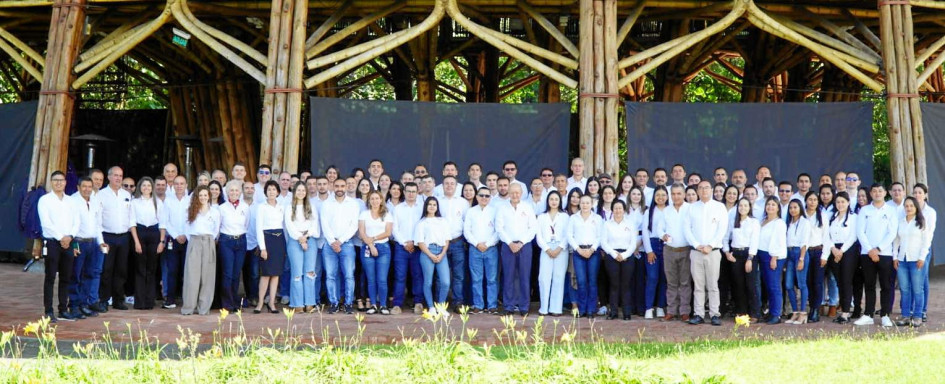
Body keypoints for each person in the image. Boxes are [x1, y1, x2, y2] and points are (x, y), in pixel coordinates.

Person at [684, 181, 728, 326]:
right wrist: (697, 245)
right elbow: (687, 229)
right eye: (701, 188)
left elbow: (722, 229)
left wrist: (711, 245)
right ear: (697, 190)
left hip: (713, 252)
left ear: (712, 190)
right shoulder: (691, 208)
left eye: (707, 188)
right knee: (698, 285)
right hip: (696, 252)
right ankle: (699, 314)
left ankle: (715, 314)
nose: (704, 190)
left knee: (713, 285)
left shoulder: (719, 207)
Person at [38, 171, 80, 322]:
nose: (58, 183)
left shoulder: (71, 201)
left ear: (65, 182)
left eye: (61, 180)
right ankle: (48, 310)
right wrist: (61, 237)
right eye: (55, 180)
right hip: (52, 242)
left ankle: (63, 309)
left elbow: (77, 222)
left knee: (66, 277)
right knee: (50, 277)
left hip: (68, 242)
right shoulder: (44, 200)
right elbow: (46, 223)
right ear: (51, 182)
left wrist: (69, 237)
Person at [854, 184, 898, 327]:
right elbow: (860, 232)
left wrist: (878, 249)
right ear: (870, 194)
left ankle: (885, 315)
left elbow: (892, 233)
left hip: (885, 253)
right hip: (866, 254)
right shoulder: (864, 210)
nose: (877, 193)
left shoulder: (891, 211)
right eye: (874, 191)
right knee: (869, 284)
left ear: (885, 193)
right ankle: (868, 314)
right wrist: (870, 250)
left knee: (886, 285)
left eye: (880, 191)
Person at [321, 178, 361, 314]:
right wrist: (333, 241)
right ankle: (334, 303)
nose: (339, 188)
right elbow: (324, 224)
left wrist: (341, 241)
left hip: (347, 244)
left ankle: (348, 303)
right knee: (330, 275)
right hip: (329, 244)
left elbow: (354, 225)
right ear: (333, 186)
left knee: (349, 275)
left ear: (346, 187)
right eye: (337, 186)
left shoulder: (353, 204)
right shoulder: (326, 204)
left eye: (342, 186)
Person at [496, 184, 537, 316]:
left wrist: (521, 243)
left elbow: (533, 228)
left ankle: (524, 306)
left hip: (524, 246)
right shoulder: (502, 208)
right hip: (507, 246)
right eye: (512, 192)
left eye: (517, 193)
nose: (515, 195)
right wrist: (510, 243)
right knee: (508, 276)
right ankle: (509, 305)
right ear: (508, 192)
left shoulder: (527, 207)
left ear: (521, 193)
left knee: (524, 276)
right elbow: (499, 228)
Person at [70, 177, 107, 318]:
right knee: (76, 275)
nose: (87, 189)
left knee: (89, 275)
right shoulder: (73, 201)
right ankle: (73, 305)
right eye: (84, 186)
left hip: (92, 243)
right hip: (78, 242)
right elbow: (70, 224)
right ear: (78, 187)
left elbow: (98, 224)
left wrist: (101, 242)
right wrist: (73, 244)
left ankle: (83, 304)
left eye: (89, 186)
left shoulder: (95, 201)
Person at [181, 186, 220, 316]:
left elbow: (216, 229)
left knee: (207, 277)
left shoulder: (214, 212)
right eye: (200, 195)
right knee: (192, 276)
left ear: (209, 196)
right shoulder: (190, 211)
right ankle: (189, 307)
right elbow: (186, 229)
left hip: (209, 241)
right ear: (196, 197)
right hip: (194, 241)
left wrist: (209, 240)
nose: (203, 197)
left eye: (205, 195)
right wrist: (193, 241)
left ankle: (204, 308)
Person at [98, 166, 133, 311]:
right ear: (109, 177)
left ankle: (119, 300)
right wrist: (101, 240)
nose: (118, 178)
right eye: (115, 175)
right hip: (108, 236)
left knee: (121, 270)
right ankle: (104, 300)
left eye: (120, 175)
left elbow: (130, 216)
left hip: (124, 237)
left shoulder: (127, 194)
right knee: (106, 269)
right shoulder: (101, 194)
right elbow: (98, 219)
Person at [129, 177, 166, 310]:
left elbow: (162, 223)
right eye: (144, 185)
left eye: (149, 186)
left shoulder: (158, 202)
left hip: (154, 234)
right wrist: (136, 242)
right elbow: (132, 222)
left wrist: (161, 241)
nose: (146, 188)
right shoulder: (135, 202)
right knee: (140, 269)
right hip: (140, 233)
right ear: (140, 187)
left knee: (151, 269)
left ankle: (149, 301)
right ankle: (139, 302)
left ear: (152, 188)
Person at [284, 182, 320, 313]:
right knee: (297, 273)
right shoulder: (289, 208)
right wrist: (300, 238)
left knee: (310, 272)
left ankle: (310, 303)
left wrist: (306, 237)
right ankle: (297, 303)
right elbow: (289, 226)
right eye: (298, 190)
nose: (301, 192)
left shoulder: (311, 207)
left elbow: (314, 225)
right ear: (294, 192)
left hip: (310, 241)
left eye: (303, 190)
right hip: (295, 242)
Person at [601, 200, 640, 320]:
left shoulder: (630, 224)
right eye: (616, 208)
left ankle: (626, 313)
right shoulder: (607, 224)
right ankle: (613, 312)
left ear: (624, 210)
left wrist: (624, 255)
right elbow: (604, 242)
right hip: (612, 255)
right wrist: (614, 254)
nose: (618, 211)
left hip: (627, 256)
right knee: (614, 284)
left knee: (626, 284)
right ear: (612, 210)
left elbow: (633, 243)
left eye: (620, 208)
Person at [722, 198, 760, 320]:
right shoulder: (733, 221)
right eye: (740, 205)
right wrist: (727, 253)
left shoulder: (754, 222)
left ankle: (754, 314)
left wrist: (750, 258)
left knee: (751, 285)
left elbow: (755, 241)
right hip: (735, 256)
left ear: (749, 207)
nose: (743, 208)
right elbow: (725, 238)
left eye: (745, 205)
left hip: (749, 255)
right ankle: (742, 313)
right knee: (738, 285)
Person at [894, 196, 929, 327]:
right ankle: (905, 316)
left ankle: (918, 316)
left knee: (918, 289)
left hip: (916, 260)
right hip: (902, 260)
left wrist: (922, 257)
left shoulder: (921, 222)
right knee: (904, 289)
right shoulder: (901, 222)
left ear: (916, 207)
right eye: (906, 206)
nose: (908, 208)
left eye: (911, 206)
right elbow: (896, 241)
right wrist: (895, 257)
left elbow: (926, 242)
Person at [568, 194, 603, 318]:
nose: (585, 205)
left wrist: (592, 249)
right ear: (579, 204)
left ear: (592, 203)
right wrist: (578, 249)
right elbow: (569, 235)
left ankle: (591, 309)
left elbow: (600, 236)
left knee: (592, 281)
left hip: (593, 252)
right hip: (578, 252)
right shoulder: (573, 218)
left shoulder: (597, 218)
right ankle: (582, 308)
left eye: (587, 203)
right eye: (582, 202)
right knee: (581, 281)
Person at [391, 182, 424, 315]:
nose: (411, 194)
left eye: (413, 191)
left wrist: (414, 242)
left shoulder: (422, 208)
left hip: (418, 247)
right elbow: (395, 229)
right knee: (400, 276)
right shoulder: (398, 208)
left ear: (417, 193)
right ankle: (397, 305)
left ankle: (418, 303)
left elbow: (424, 227)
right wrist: (405, 243)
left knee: (417, 275)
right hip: (401, 247)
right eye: (408, 191)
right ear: (404, 192)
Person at [358, 191, 393, 315]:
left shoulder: (387, 214)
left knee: (382, 279)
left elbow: (388, 232)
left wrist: (373, 239)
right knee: (371, 279)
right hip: (367, 248)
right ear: (369, 200)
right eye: (372, 198)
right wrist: (371, 245)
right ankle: (373, 304)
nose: (374, 201)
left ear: (381, 200)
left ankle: (383, 305)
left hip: (383, 248)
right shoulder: (364, 214)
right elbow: (361, 232)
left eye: (377, 198)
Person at [217, 180, 250, 312]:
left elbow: (246, 224)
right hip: (226, 242)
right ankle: (227, 303)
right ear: (227, 192)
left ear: (240, 192)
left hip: (241, 241)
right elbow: (218, 227)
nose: (234, 193)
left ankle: (235, 302)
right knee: (227, 273)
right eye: (232, 190)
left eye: (237, 190)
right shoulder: (222, 208)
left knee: (236, 273)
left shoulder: (245, 207)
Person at [535, 190, 569, 316]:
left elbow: (567, 235)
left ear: (560, 201)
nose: (554, 202)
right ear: (547, 201)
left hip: (561, 248)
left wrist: (559, 248)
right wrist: (547, 249)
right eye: (551, 199)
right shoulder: (541, 217)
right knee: (544, 278)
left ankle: (556, 308)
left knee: (558, 278)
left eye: (556, 199)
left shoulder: (565, 216)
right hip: (546, 248)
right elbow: (538, 235)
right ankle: (544, 308)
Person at [415, 197, 451, 315]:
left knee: (445, 282)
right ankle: (431, 307)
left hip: (441, 251)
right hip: (427, 252)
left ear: (437, 207)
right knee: (428, 282)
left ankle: (441, 306)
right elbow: (420, 242)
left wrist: (442, 254)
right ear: (426, 206)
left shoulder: (443, 221)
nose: (432, 206)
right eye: (429, 204)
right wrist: (430, 255)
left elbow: (447, 240)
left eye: (434, 204)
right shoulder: (422, 222)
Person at [827, 192, 858, 324]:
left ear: (848, 202)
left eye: (843, 202)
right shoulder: (832, 217)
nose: (840, 204)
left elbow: (853, 236)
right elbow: (826, 235)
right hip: (834, 251)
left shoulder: (853, 217)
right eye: (838, 202)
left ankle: (846, 312)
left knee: (846, 281)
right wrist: (833, 249)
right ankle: (842, 311)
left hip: (848, 251)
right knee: (839, 281)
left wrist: (841, 251)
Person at [663, 184, 692, 322]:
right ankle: (671, 310)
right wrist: (662, 235)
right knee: (671, 282)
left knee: (685, 282)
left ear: (684, 194)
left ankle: (685, 311)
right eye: (673, 194)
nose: (676, 196)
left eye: (679, 193)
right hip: (669, 250)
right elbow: (659, 228)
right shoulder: (666, 210)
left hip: (686, 249)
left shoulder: (690, 209)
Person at [255, 181, 285, 314]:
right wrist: (262, 248)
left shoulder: (282, 207)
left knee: (276, 274)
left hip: (279, 240)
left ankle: (272, 303)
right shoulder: (262, 207)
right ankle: (261, 302)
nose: (271, 192)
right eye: (269, 189)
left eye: (274, 189)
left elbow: (285, 225)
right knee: (266, 274)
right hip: (267, 240)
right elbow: (258, 228)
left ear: (278, 192)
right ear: (265, 192)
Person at [161, 176, 190, 309]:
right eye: (176, 184)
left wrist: (185, 235)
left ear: (186, 185)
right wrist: (176, 235)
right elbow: (165, 221)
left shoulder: (191, 201)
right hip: (173, 239)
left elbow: (193, 220)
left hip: (188, 239)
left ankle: (187, 299)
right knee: (172, 270)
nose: (179, 186)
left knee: (187, 271)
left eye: (182, 184)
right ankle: (170, 299)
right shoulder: (168, 201)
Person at [758, 196, 787, 324]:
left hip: (772, 256)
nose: (770, 207)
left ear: (778, 208)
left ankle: (776, 314)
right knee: (767, 286)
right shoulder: (762, 221)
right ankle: (770, 312)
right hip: (762, 254)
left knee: (774, 286)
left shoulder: (779, 223)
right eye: (768, 204)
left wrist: (774, 258)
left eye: (773, 205)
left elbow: (778, 241)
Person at [642, 186, 670, 319]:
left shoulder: (670, 210)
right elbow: (645, 233)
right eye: (657, 195)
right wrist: (649, 251)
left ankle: (660, 307)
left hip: (666, 245)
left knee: (664, 278)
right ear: (653, 197)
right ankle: (648, 308)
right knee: (652, 277)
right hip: (652, 245)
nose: (660, 197)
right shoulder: (649, 211)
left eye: (663, 195)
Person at [804, 191, 829, 323]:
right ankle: (810, 307)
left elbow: (826, 237)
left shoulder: (822, 216)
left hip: (818, 251)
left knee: (817, 282)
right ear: (806, 201)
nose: (812, 202)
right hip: (805, 252)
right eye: (810, 199)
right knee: (807, 281)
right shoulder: (802, 215)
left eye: (815, 199)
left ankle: (815, 310)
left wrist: (825, 255)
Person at [784, 199, 810, 324]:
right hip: (789, 254)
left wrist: (801, 259)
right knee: (788, 284)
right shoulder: (789, 223)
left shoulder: (805, 222)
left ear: (800, 208)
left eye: (795, 207)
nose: (793, 210)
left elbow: (804, 242)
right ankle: (795, 312)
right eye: (791, 208)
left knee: (801, 283)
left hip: (800, 253)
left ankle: (803, 312)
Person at [913, 183, 936, 322]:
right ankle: (911, 309)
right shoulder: (909, 209)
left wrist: (923, 251)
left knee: (923, 280)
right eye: (915, 192)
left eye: (920, 192)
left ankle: (923, 310)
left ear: (925, 195)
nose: (917, 195)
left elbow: (929, 233)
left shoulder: (930, 212)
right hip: (910, 250)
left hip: (923, 249)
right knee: (911, 281)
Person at [241, 181, 260, 308]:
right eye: (246, 188)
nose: (249, 190)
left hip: (254, 244)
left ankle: (253, 297)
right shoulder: (238, 205)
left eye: (251, 188)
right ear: (242, 190)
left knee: (253, 273)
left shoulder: (259, 207)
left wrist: (260, 244)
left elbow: (261, 226)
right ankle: (242, 298)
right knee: (240, 272)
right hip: (240, 243)